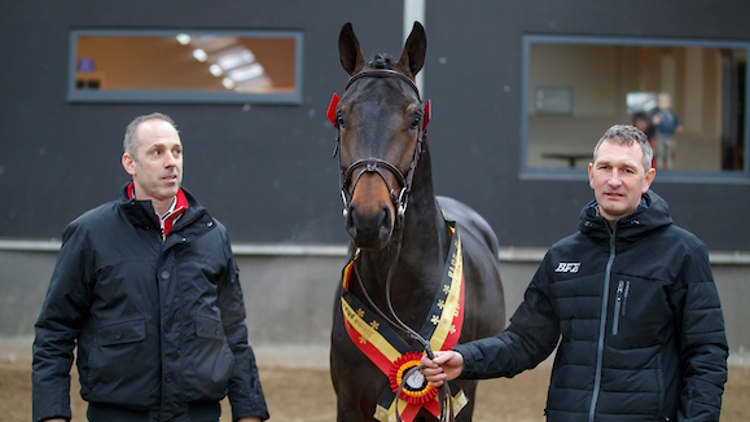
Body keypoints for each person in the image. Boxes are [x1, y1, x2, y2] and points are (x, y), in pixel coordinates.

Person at [422, 124, 728, 421]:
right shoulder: (562, 257)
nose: (614, 180)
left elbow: (706, 357)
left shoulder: (684, 254)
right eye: (606, 168)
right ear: (591, 175)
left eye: (627, 170)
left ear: (647, 179)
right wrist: (465, 359)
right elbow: (525, 342)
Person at [32, 113, 269, 422]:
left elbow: (233, 333)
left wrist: (249, 412)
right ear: (130, 163)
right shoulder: (91, 234)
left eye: (177, 151)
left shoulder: (213, 236)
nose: (171, 162)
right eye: (157, 152)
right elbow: (55, 332)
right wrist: (52, 414)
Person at [650, 93, 683, 170]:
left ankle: (668, 168)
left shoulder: (671, 114)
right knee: (660, 152)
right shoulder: (656, 112)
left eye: (665, 101)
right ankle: (660, 168)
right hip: (659, 135)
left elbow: (676, 121)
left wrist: (678, 126)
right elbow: (651, 122)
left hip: (669, 136)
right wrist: (654, 121)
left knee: (668, 153)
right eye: (661, 101)